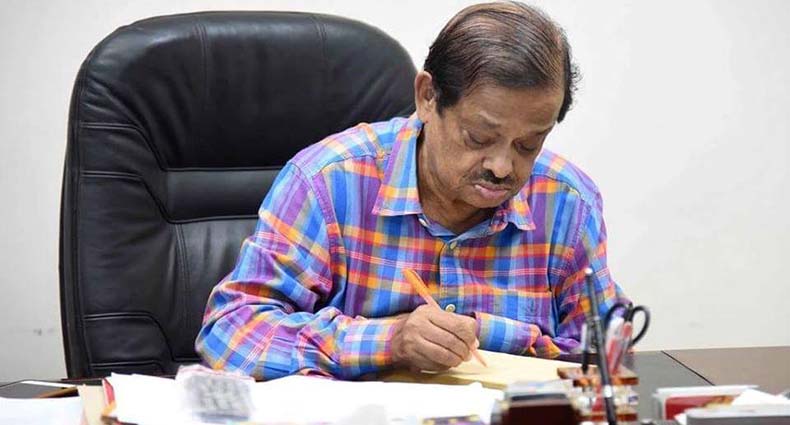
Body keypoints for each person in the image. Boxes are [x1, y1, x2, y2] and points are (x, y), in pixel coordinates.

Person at [196, 1, 624, 380]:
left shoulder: (567, 202)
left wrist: (486, 332)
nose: (502, 167)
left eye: (528, 144)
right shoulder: (329, 181)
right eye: (479, 137)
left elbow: (608, 353)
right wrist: (389, 340)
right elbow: (230, 334)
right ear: (427, 97)